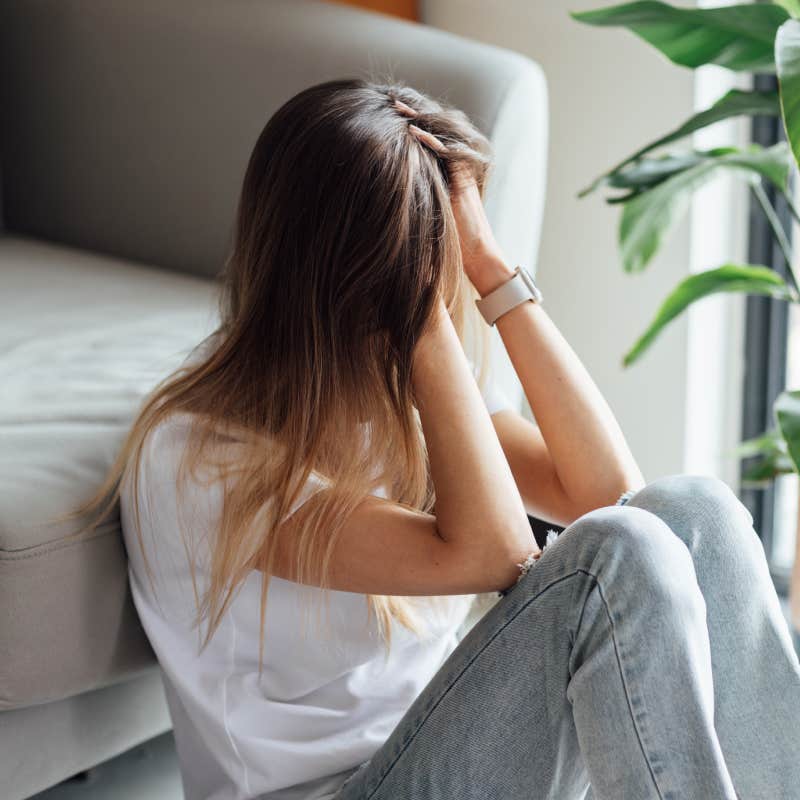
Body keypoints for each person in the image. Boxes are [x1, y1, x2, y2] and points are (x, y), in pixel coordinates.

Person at [75, 78, 800, 800]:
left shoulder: (395, 413)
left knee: (694, 510)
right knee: (614, 556)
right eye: (436, 259)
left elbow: (610, 493)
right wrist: (420, 314)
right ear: (341, 284)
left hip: (444, 754)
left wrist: (492, 266)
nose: (446, 285)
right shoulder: (197, 462)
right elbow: (497, 553)